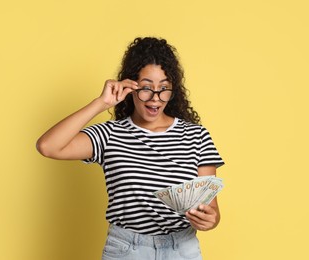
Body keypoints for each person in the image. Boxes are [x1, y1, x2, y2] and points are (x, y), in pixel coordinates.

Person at [36, 37, 224, 260]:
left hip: (182, 249)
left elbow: (211, 209)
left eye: (164, 88)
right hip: (127, 249)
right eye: (146, 88)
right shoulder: (110, 135)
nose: (155, 98)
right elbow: (48, 146)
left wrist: (210, 220)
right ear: (130, 86)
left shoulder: (196, 136)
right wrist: (102, 103)